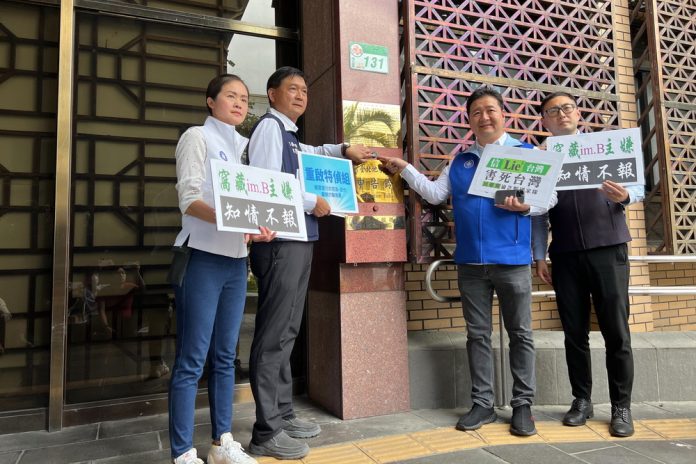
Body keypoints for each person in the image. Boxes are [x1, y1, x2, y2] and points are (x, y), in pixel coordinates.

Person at [381, 86, 554, 437]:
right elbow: (435, 194)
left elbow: (548, 199)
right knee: (477, 335)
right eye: (476, 112)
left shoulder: (526, 153)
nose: (484, 117)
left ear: (503, 114)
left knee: (520, 334)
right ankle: (482, 403)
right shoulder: (461, 162)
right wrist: (406, 169)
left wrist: (527, 206)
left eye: (490, 110)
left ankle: (523, 405)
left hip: (512, 260)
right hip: (471, 263)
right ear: (469, 120)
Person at [246, 66, 372, 460]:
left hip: (298, 241)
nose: (301, 95)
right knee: (274, 334)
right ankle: (265, 431)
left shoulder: (289, 135)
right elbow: (266, 183)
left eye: (304, 90)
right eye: (292, 89)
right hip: (281, 242)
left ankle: (282, 414)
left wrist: (343, 149)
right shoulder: (269, 128)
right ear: (272, 94)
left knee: (287, 331)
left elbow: (313, 153)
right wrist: (310, 201)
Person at [168, 74, 275, 464]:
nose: (240, 103)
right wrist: (235, 219)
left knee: (227, 356)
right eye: (231, 96)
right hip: (201, 257)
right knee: (192, 359)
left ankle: (222, 443)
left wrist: (257, 228)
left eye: (245, 98)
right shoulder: (197, 137)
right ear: (210, 101)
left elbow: (251, 207)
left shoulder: (243, 149)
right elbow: (189, 199)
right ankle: (183, 452)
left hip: (235, 261)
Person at [532, 91, 644, 437]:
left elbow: (637, 186)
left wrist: (626, 195)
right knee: (574, 333)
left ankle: (621, 406)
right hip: (565, 253)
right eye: (553, 111)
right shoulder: (542, 156)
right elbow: (538, 214)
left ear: (578, 113)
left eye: (567, 108)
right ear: (544, 121)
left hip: (609, 248)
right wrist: (540, 254)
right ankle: (582, 399)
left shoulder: (605, 148)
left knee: (616, 331)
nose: (561, 114)